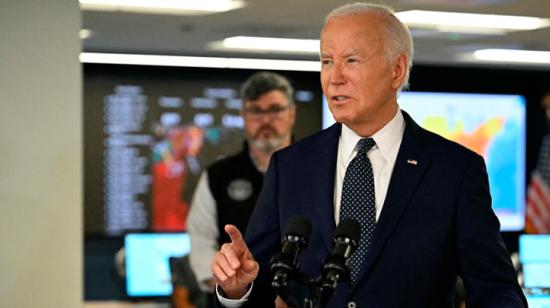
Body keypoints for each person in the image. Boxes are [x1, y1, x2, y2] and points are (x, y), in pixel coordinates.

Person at [210, 3, 527, 308]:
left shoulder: (454, 170)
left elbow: (496, 289)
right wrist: (238, 289)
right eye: (326, 61)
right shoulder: (291, 166)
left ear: (397, 70)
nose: (334, 77)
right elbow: (261, 283)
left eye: (351, 61)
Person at [187, 71, 296, 303]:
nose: (265, 120)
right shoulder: (217, 176)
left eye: (275, 109)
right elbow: (200, 242)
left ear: (292, 114)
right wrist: (233, 291)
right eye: (256, 111)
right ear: (244, 117)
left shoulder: (318, 167)